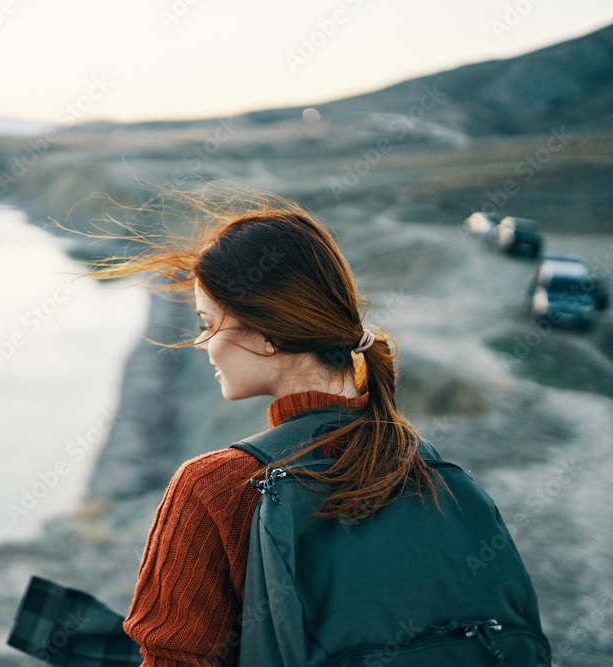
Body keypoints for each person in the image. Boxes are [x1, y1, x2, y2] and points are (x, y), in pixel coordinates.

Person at [81, 196, 457, 665]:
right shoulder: (430, 471)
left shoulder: (212, 489)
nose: (201, 344)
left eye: (207, 323)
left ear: (267, 334)